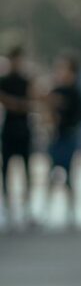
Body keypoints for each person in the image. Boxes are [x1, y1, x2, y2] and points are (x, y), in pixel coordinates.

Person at [44, 52, 81, 227]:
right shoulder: (55, 90)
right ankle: (46, 212)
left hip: (69, 136)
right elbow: (45, 112)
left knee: (68, 175)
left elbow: (79, 116)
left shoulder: (76, 92)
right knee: (51, 174)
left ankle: (71, 213)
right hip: (55, 136)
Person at [0, 46, 34, 225]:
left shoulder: (26, 80)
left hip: (24, 130)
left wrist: (17, 103)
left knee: (26, 170)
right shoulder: (4, 80)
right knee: (6, 170)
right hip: (9, 130)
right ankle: (7, 206)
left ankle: (26, 207)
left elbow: (31, 101)